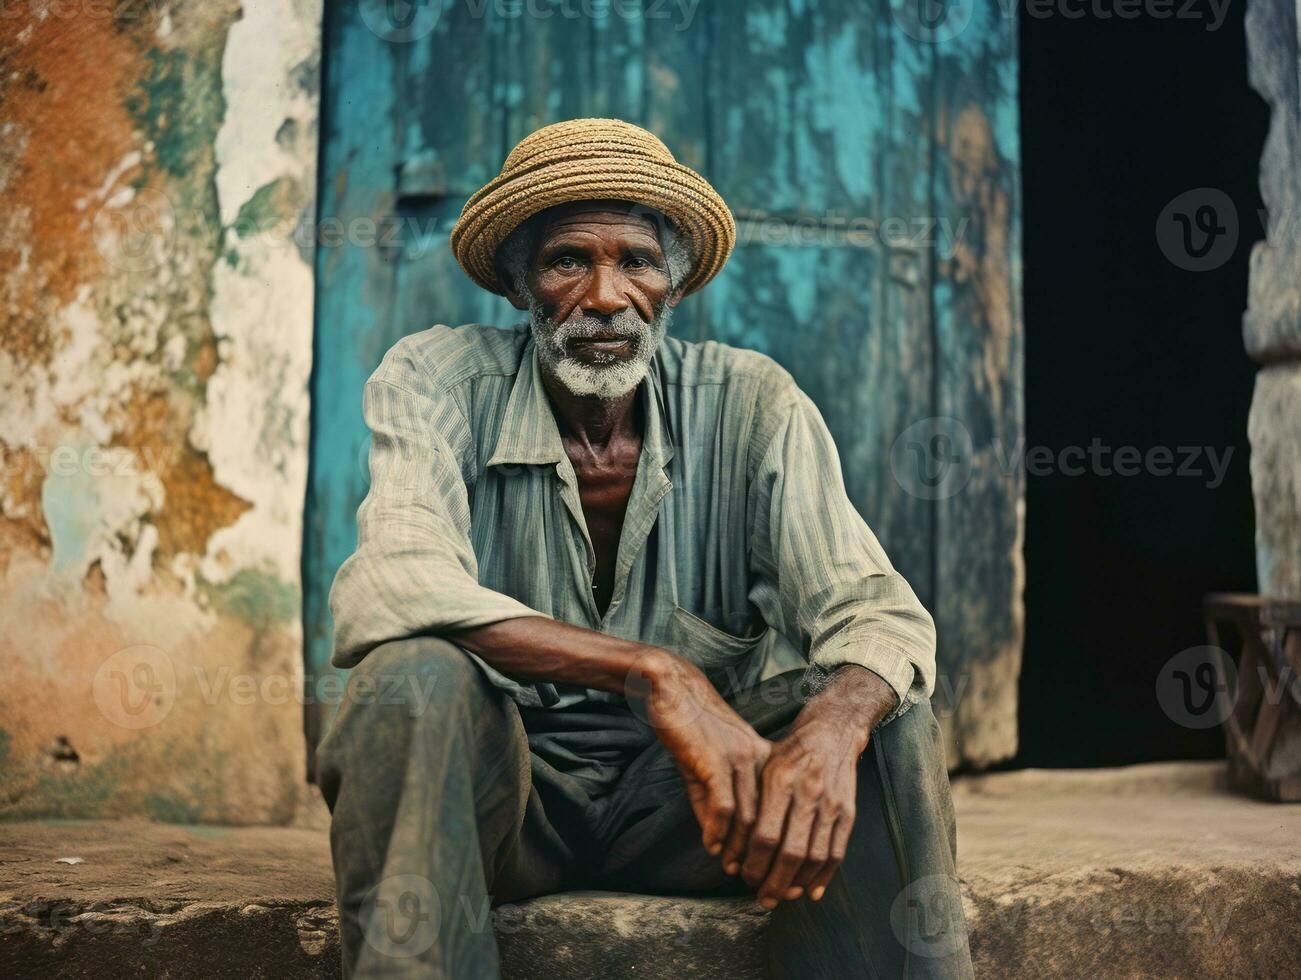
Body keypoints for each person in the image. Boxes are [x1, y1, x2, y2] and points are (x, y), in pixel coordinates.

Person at [318, 117, 972, 979]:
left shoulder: (749, 403)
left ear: (675, 284)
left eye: (636, 260)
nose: (603, 295)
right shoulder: (436, 379)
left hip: (710, 809)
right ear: (519, 285)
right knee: (408, 681)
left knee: (883, 714)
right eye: (566, 261)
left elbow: (876, 613)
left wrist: (831, 728)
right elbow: (392, 587)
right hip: (505, 808)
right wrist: (656, 673)